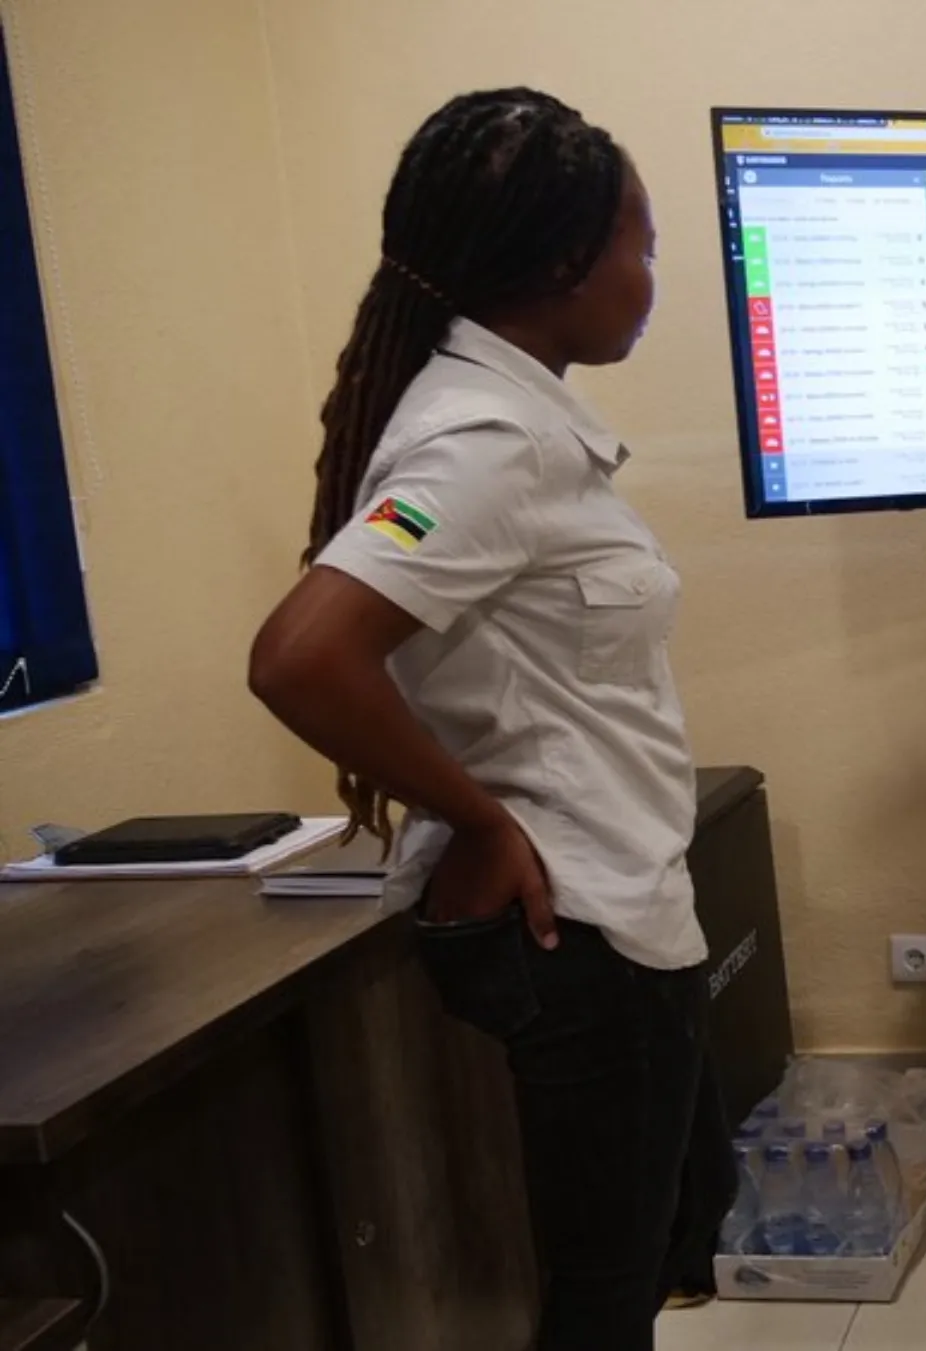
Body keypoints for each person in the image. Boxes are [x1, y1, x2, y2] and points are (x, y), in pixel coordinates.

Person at [247, 89, 730, 1350]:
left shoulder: (510, 418)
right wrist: (474, 815)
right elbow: (304, 657)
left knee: (641, 1248)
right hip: (572, 922)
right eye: (644, 247)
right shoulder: (484, 441)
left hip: (618, 902)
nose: (650, 278)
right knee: (600, 1289)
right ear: (569, 262)